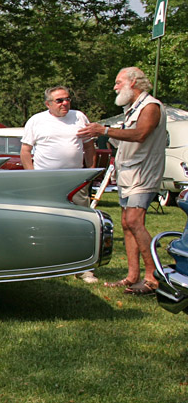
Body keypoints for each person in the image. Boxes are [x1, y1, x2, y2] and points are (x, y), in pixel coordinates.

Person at [77, 67, 166, 295]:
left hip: (143, 173)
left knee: (135, 221)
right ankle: (132, 275)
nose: (115, 87)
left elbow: (141, 134)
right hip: (128, 172)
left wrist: (105, 130)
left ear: (133, 82)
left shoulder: (150, 107)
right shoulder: (132, 109)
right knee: (126, 223)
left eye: (118, 82)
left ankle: (152, 277)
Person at [20, 85, 98, 282]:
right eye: (59, 100)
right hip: (45, 181)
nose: (65, 103)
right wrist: (33, 177)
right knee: (43, 223)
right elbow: (25, 151)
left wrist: (89, 174)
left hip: (76, 180)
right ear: (48, 104)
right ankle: (43, 263)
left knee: (82, 223)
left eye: (67, 99)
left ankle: (83, 267)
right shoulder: (37, 121)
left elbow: (89, 147)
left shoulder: (79, 117)